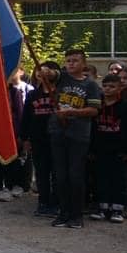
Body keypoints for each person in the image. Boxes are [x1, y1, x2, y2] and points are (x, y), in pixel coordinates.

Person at [49, 49, 101, 227]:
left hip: (78, 135)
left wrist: (72, 112)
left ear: (84, 64)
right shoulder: (61, 78)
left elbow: (94, 110)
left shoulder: (90, 85)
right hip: (58, 132)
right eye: (68, 60)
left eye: (75, 60)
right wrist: (45, 71)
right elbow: (50, 74)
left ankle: (76, 215)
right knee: (60, 175)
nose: (71, 63)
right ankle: (63, 212)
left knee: (75, 175)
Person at [90, 69, 127, 223]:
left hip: (120, 151)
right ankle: (102, 208)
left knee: (120, 180)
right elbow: (92, 128)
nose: (108, 89)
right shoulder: (97, 105)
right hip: (101, 149)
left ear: (120, 88)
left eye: (112, 86)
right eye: (105, 86)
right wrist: (91, 149)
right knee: (101, 179)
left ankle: (117, 209)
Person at [21, 62, 59, 217]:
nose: (42, 74)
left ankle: (56, 203)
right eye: (39, 70)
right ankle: (43, 202)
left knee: (57, 173)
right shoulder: (33, 95)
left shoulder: (61, 94)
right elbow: (26, 117)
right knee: (42, 173)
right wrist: (25, 138)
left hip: (57, 139)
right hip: (38, 139)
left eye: (46, 71)